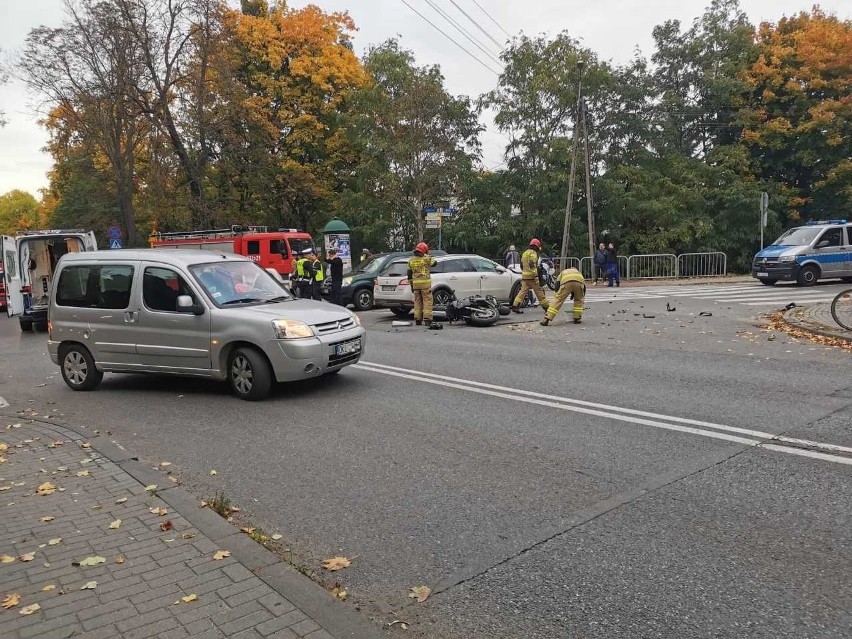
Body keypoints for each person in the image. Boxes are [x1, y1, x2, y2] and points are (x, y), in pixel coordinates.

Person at [511, 238, 550, 314]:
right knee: (539, 292)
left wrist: (525, 272)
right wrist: (535, 275)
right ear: (536, 246)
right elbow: (532, 263)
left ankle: (515, 306)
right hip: (532, 277)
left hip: (525, 276)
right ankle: (547, 307)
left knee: (522, 292)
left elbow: (522, 265)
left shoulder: (525, 253)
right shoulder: (533, 253)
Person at [407, 242, 439, 328]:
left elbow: (409, 274)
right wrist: (428, 255)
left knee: (417, 302)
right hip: (425, 284)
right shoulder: (427, 258)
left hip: (415, 284)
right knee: (427, 301)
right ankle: (427, 319)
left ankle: (418, 319)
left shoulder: (411, 260)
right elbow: (435, 263)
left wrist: (411, 285)